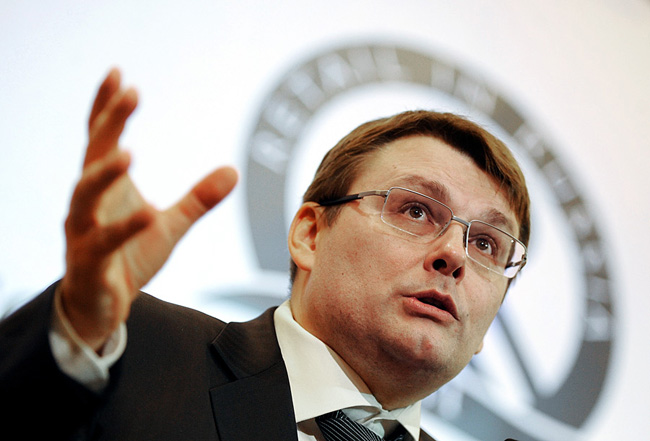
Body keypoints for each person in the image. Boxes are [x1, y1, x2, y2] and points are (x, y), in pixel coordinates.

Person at [0, 68, 530, 441]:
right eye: (415, 210)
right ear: (310, 236)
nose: (453, 255)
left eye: (486, 243)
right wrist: (72, 333)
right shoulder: (133, 352)